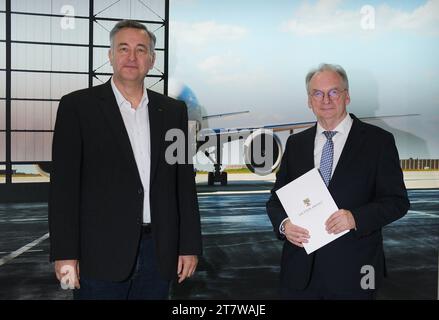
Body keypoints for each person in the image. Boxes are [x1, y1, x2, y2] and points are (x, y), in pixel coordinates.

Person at [49, 20, 202, 300]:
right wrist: (65, 255)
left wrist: (189, 245)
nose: (132, 57)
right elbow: (63, 189)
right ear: (110, 55)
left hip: (158, 253)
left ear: (152, 60)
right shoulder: (77, 107)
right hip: (98, 257)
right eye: (123, 48)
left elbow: (183, 183)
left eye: (141, 50)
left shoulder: (173, 112)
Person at [266, 63, 409, 299]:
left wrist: (356, 218)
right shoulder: (296, 145)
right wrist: (284, 226)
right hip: (299, 275)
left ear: (347, 96)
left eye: (334, 92)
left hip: (355, 274)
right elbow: (276, 200)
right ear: (309, 101)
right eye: (317, 94)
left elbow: (397, 202)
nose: (326, 100)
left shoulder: (378, 142)